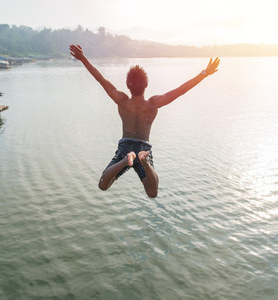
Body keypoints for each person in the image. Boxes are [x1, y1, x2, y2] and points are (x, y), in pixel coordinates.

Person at [69, 44, 220, 198]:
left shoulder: (122, 101)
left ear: (128, 85)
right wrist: (204, 73)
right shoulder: (153, 104)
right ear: (146, 85)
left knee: (103, 184)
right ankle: (145, 162)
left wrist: (83, 59)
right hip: (144, 147)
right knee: (152, 192)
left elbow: (101, 80)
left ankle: (124, 161)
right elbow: (181, 91)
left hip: (125, 147)